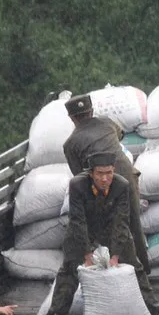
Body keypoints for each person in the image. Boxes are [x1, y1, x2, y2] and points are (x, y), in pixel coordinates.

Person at [46, 151, 159, 315]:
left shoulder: (121, 185)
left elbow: (122, 222)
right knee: (69, 269)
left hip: (111, 229)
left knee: (135, 267)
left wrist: (115, 255)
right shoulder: (77, 185)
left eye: (109, 173)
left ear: (114, 170)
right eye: (100, 174)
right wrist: (87, 254)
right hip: (83, 229)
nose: (105, 178)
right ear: (91, 173)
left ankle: (156, 313)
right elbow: (77, 221)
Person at [63, 94, 150, 274]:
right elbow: (120, 135)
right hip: (127, 179)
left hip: (103, 188)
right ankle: (143, 271)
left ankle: (110, 270)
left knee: (107, 229)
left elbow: (80, 176)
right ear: (92, 111)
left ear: (71, 118)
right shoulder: (106, 122)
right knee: (133, 224)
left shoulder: (70, 144)